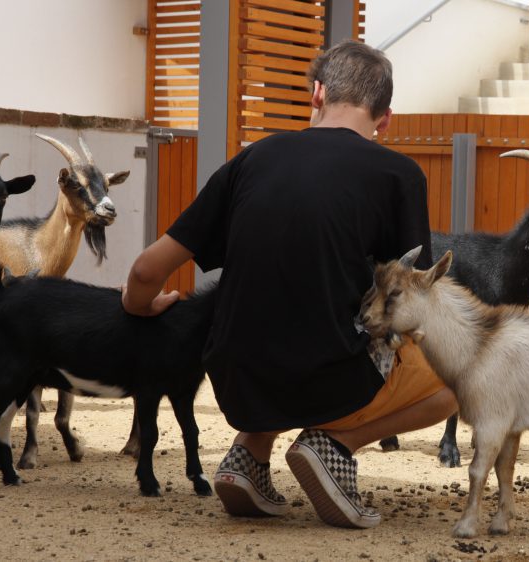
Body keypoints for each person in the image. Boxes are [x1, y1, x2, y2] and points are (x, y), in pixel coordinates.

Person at [121, 40, 457, 529]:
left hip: (236, 379)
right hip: (329, 378)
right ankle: (336, 445)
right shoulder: (397, 174)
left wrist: (139, 307)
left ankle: (250, 452)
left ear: (316, 94)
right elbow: (412, 304)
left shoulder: (249, 161)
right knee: (457, 372)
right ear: (385, 119)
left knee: (281, 317)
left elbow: (146, 273)